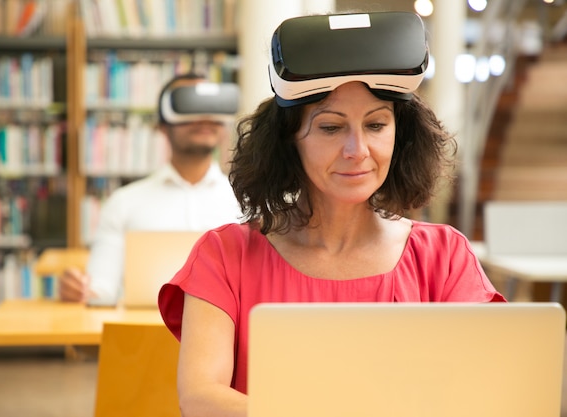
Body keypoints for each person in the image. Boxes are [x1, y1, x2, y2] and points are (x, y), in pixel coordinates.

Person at [158, 11, 506, 417]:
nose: (357, 150)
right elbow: (201, 399)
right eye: (330, 128)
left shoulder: (444, 257)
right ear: (290, 140)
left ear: (401, 136)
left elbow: (480, 391)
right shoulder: (224, 254)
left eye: (376, 125)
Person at [59, 73, 242, 304]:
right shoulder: (123, 203)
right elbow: (98, 292)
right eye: (188, 106)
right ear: (162, 126)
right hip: (143, 337)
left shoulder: (249, 203)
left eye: (211, 107)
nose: (203, 117)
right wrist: (77, 290)